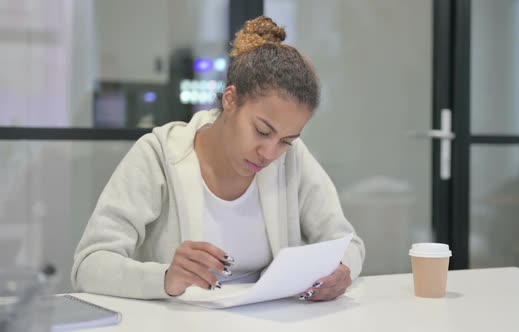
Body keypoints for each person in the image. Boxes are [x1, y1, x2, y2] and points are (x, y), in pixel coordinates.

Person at [71, 16, 365, 301]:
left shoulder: (293, 160)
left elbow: (347, 243)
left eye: (286, 141)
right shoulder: (158, 155)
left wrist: (343, 270)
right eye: (262, 131)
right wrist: (164, 278)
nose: (270, 153)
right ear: (230, 99)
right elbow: (89, 265)